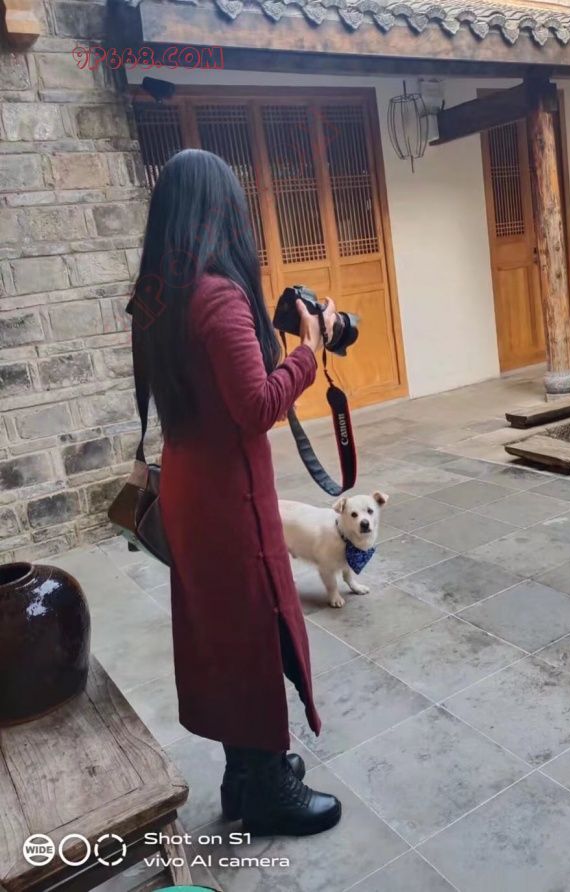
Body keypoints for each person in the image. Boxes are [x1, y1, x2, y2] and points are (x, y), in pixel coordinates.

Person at [131, 148, 341, 837]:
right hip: (228, 497)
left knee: (219, 633)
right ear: (221, 212)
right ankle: (269, 786)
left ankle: (242, 773)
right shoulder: (217, 296)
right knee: (252, 632)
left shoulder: (154, 297)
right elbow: (255, 406)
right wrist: (308, 349)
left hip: (189, 486)